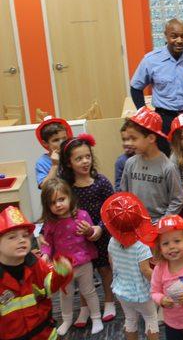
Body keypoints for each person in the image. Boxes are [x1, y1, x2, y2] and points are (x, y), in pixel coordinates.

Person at [130, 18, 183, 155]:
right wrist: (145, 115)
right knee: (166, 161)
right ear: (166, 36)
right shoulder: (151, 60)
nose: (179, 40)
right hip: (164, 120)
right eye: (174, 36)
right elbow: (136, 88)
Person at [58, 134, 116, 324]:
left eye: (87, 157)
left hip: (101, 233)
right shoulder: (66, 187)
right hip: (76, 238)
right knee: (84, 273)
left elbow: (112, 209)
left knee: (105, 269)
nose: (85, 162)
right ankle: (84, 307)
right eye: (79, 158)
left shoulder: (101, 182)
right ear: (68, 163)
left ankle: (109, 301)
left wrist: (99, 228)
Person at [38, 178, 104, 335]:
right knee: (65, 295)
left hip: (83, 263)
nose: (58, 205)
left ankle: (96, 318)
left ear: (69, 197)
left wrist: (88, 231)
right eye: (53, 202)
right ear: (48, 206)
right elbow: (47, 243)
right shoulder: (50, 223)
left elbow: (91, 236)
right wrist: (45, 255)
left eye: (61, 199)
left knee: (89, 291)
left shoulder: (82, 215)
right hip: (63, 267)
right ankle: (67, 320)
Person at [0, 206, 73, 340]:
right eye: (12, 237)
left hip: (45, 334)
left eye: (25, 236)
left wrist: (62, 271)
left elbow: (49, 287)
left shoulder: (36, 264)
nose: (21, 240)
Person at [101, 192, 159, 340]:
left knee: (130, 320)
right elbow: (145, 270)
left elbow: (112, 264)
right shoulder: (141, 245)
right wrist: (160, 282)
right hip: (141, 293)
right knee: (151, 318)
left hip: (121, 290)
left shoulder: (112, 242)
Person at [120, 107, 183, 223]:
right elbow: (124, 193)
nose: (130, 143)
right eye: (128, 138)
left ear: (151, 138)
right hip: (135, 222)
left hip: (158, 224)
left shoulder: (168, 167)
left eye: (134, 138)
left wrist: (162, 222)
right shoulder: (130, 163)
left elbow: (178, 199)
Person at [34, 115, 72, 188]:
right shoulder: (42, 162)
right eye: (56, 140)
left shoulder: (72, 155)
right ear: (45, 143)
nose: (61, 143)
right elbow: (44, 187)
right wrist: (54, 165)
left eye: (64, 138)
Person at [115, 121, 135, 191]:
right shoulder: (120, 161)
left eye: (129, 139)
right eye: (124, 139)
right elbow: (118, 186)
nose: (126, 143)